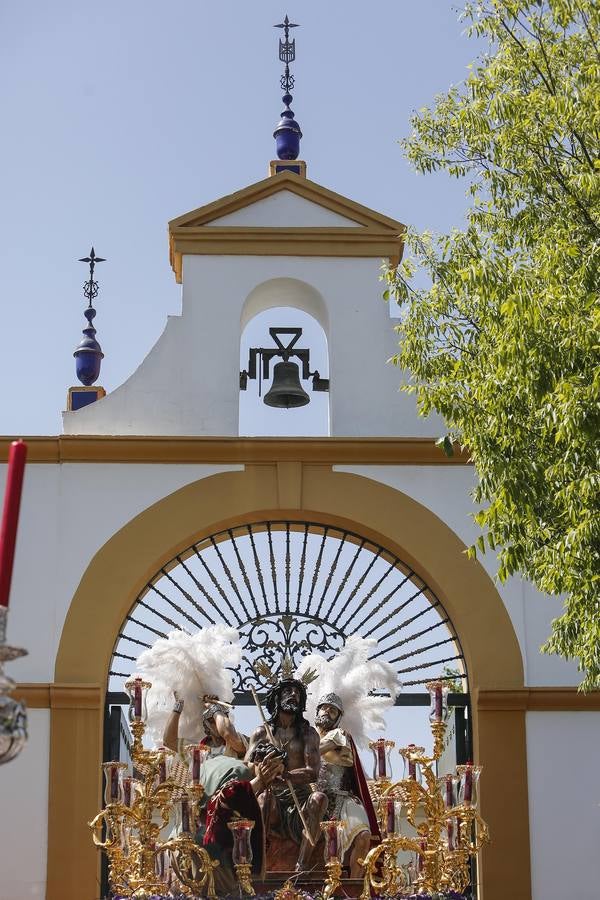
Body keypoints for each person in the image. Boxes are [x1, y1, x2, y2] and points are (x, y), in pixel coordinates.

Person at [245, 677, 326, 873]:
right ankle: (258, 861)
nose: (293, 696)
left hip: (300, 796)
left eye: (298, 693)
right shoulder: (261, 733)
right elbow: (246, 766)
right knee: (263, 799)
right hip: (272, 795)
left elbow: (312, 772)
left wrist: (286, 775)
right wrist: (262, 768)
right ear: (277, 698)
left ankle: (302, 865)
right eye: (288, 691)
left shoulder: (308, 734)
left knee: (319, 798)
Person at [313, 692, 380, 877]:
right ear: (317, 711)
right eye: (324, 707)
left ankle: (355, 887)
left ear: (338, 718)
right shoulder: (307, 735)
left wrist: (305, 751)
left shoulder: (339, 734)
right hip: (314, 798)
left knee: (363, 835)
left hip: (342, 798)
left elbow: (317, 752)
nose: (327, 711)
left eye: (333, 710)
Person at [163, 692, 247, 759]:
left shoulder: (236, 742)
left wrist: (214, 707)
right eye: (211, 720)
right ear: (207, 729)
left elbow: (227, 733)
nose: (217, 722)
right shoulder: (196, 749)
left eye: (219, 717)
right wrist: (178, 705)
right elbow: (169, 741)